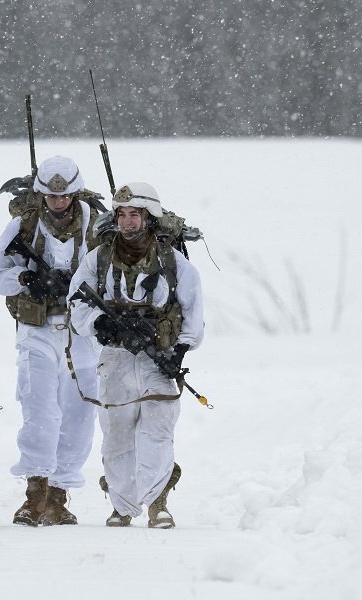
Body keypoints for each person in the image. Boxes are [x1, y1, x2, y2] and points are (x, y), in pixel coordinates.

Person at [69, 181, 204, 528]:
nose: (127, 222)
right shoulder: (97, 259)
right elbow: (77, 304)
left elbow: (192, 313)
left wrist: (180, 352)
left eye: (135, 215)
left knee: (157, 432)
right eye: (122, 214)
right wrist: (101, 324)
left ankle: (158, 502)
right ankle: (122, 505)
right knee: (116, 433)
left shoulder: (174, 263)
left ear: (149, 217)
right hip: (115, 359)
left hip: (158, 356)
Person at [0, 156, 100, 526]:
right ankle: (35, 491)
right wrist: (26, 279)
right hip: (36, 328)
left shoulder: (97, 226)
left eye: (65, 195)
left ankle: (59, 494)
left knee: (79, 413)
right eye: (51, 196)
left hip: (82, 331)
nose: (58, 202)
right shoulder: (25, 225)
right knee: (38, 410)